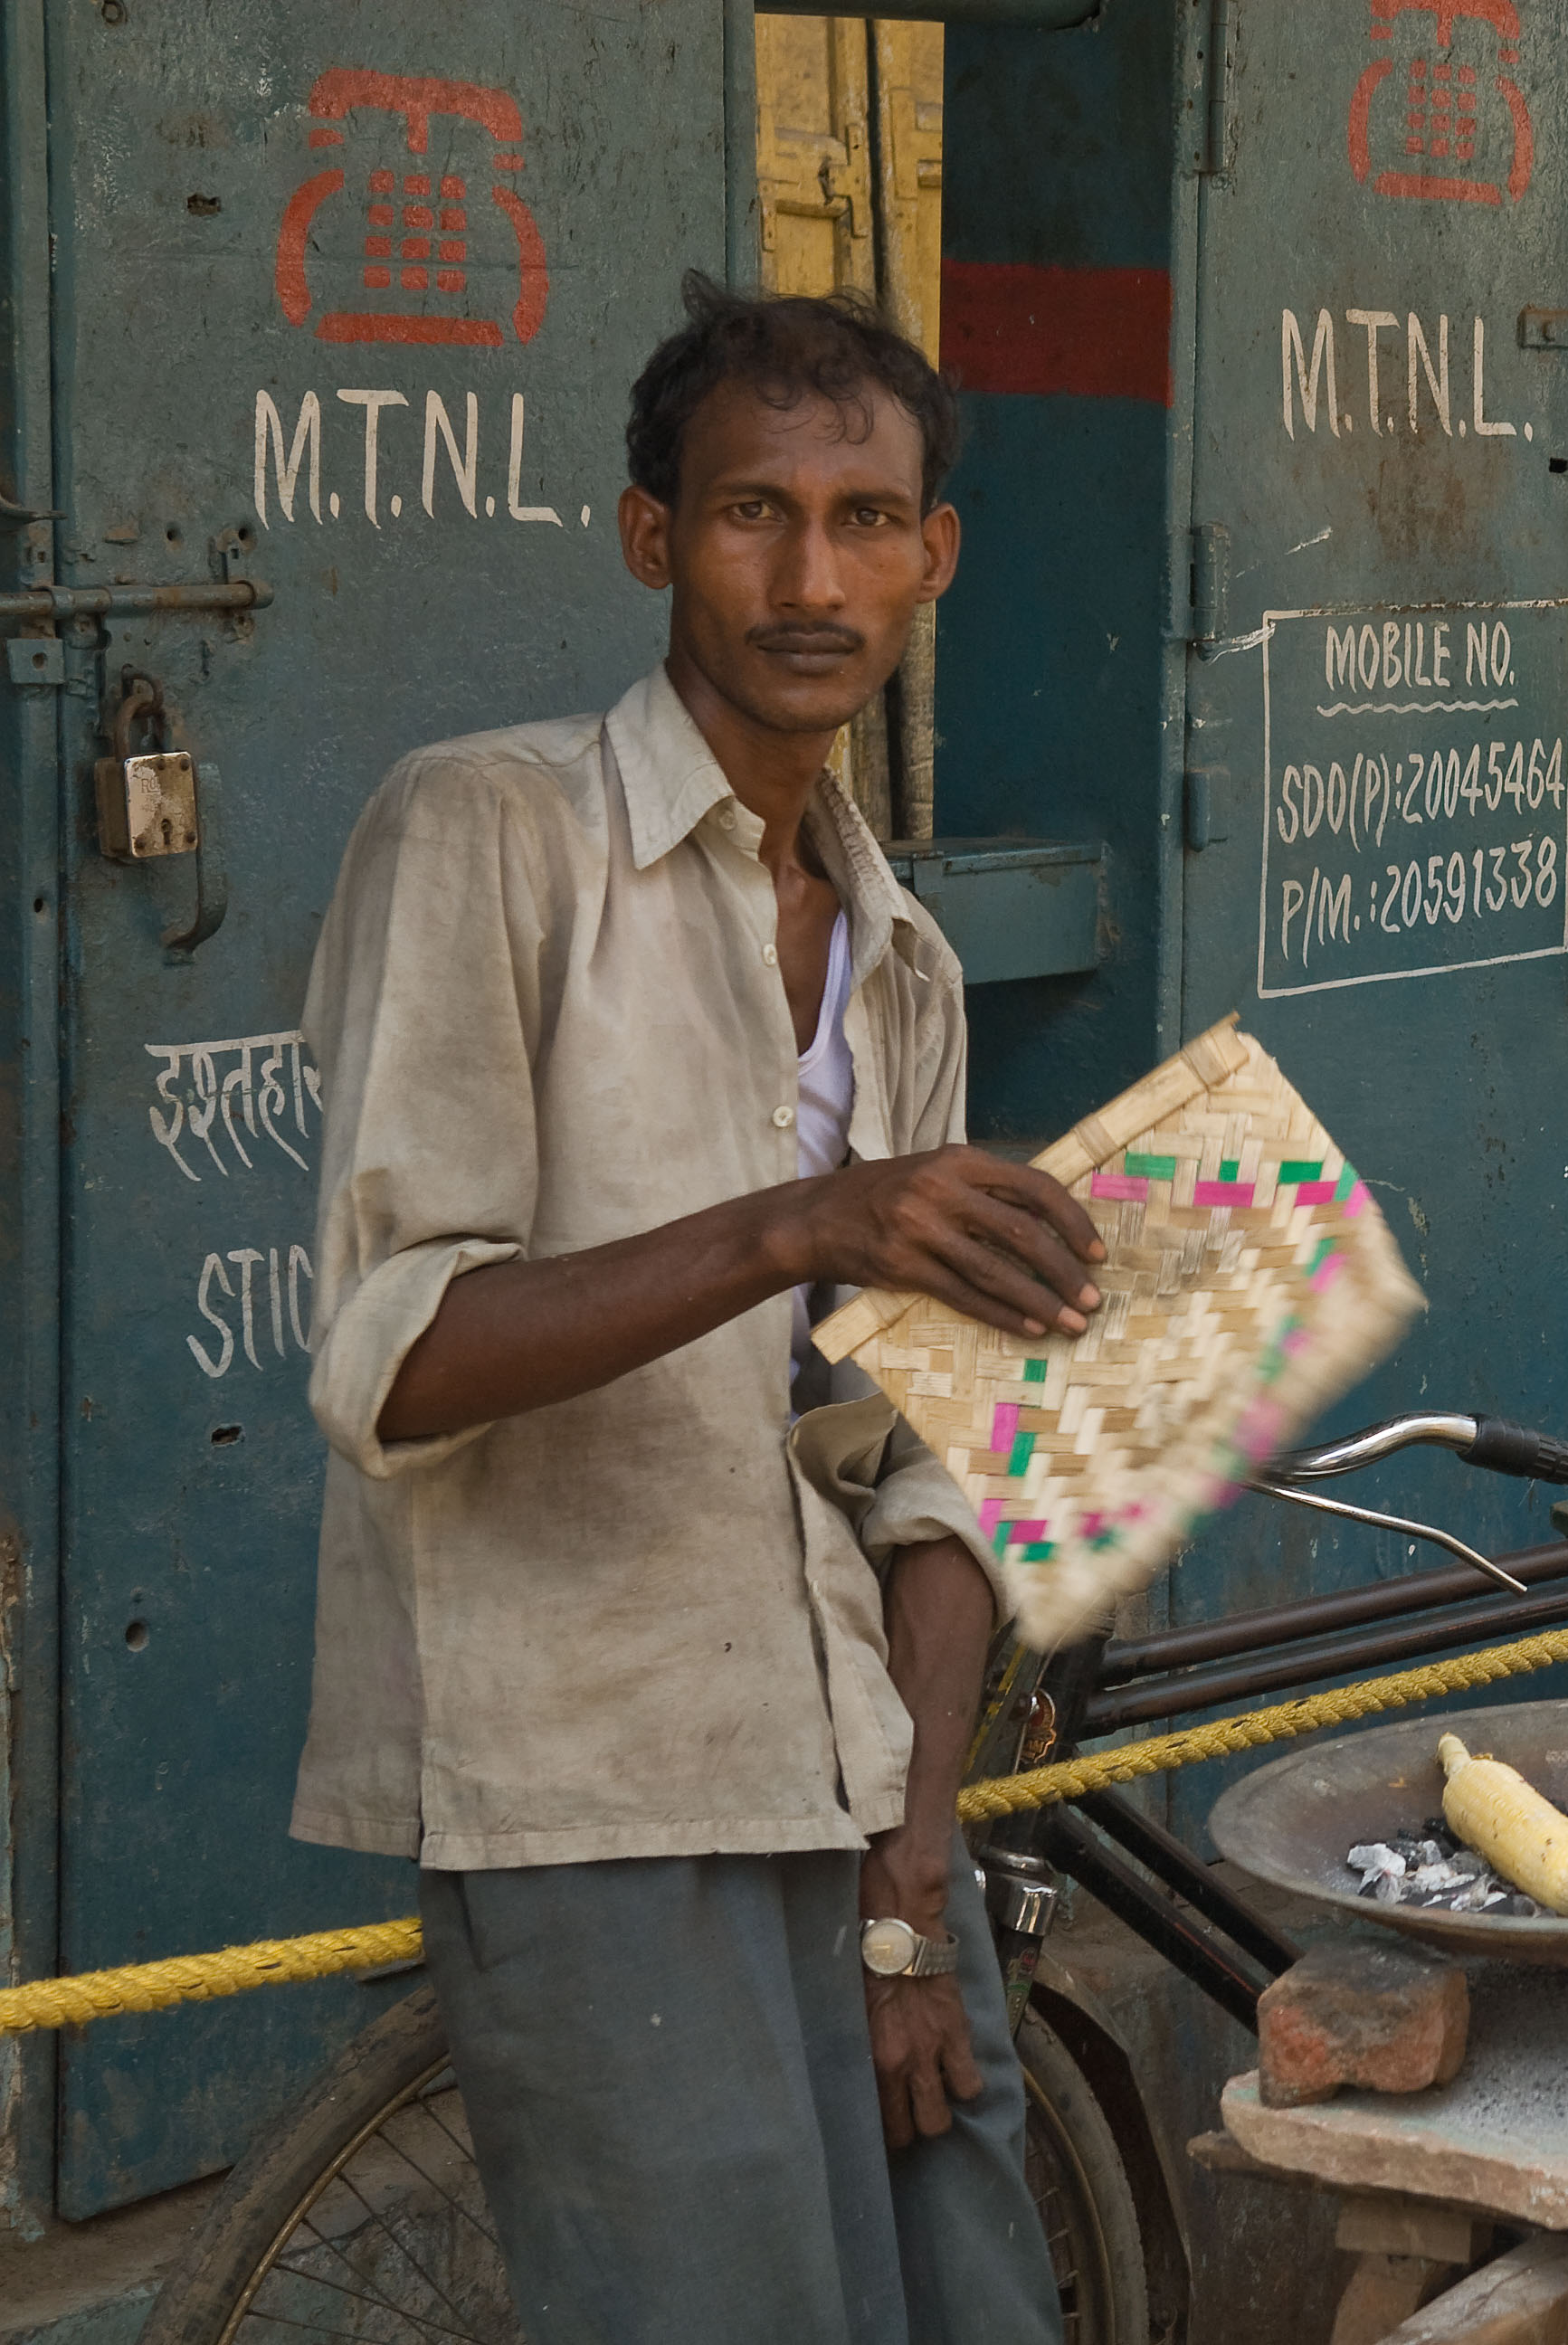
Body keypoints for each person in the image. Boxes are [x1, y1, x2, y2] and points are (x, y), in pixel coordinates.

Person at [296, 280, 1098, 2343]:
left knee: (980, 2311)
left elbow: (913, 1462)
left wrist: (914, 1892)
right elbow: (400, 1352)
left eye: (862, 518)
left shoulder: (896, 952)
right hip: (598, 1802)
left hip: (860, 1799)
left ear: (933, 558)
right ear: (653, 534)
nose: (809, 573)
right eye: (752, 512)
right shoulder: (489, 833)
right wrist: (796, 1221)